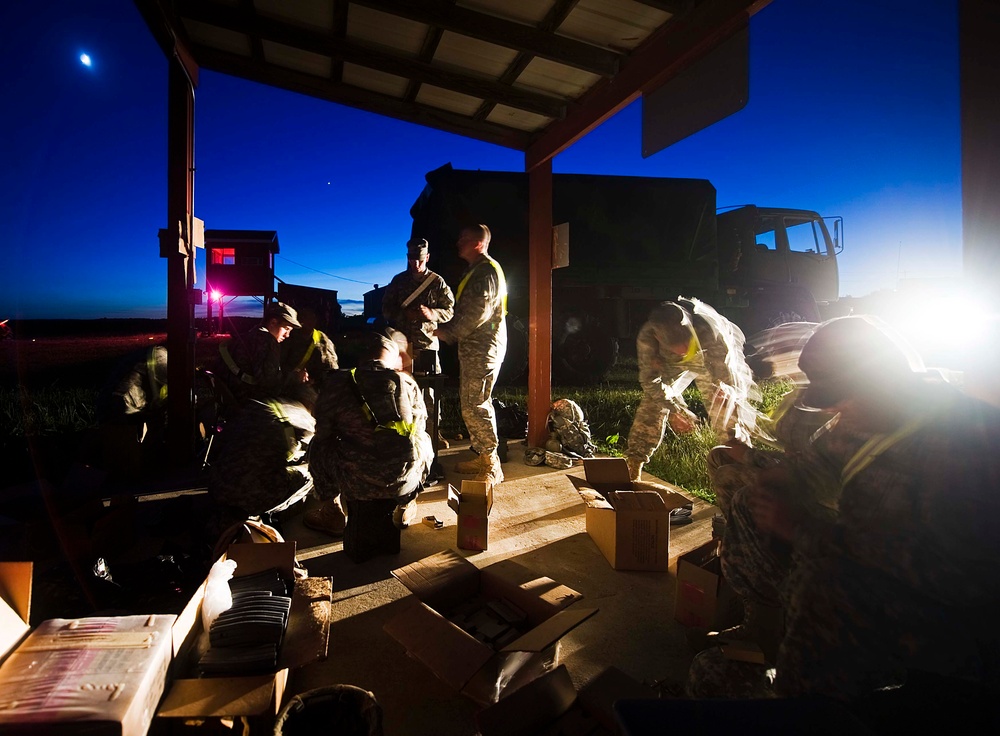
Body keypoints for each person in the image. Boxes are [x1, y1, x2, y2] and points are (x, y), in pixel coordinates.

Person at [692, 315, 1000, 701]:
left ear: (882, 382)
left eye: (841, 399)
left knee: (823, 583)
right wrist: (762, 470)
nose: (833, 411)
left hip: (945, 620)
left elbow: (961, 578)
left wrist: (805, 531)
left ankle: (810, 698)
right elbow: (812, 467)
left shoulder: (965, 443)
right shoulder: (866, 417)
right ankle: (768, 626)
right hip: (854, 567)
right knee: (746, 499)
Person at [308, 331, 433, 562]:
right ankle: (407, 502)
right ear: (393, 358)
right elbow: (419, 426)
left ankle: (332, 509)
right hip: (402, 480)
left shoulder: (337, 383)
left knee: (317, 444)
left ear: (362, 357)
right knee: (423, 439)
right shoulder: (407, 383)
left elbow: (323, 433)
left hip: (355, 483)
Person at [624, 297, 759, 482]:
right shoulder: (648, 337)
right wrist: (674, 409)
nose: (683, 350)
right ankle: (633, 469)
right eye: (676, 347)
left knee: (725, 408)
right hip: (670, 364)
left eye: (685, 343)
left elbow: (727, 377)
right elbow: (650, 381)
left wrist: (725, 389)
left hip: (707, 358)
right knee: (652, 404)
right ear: (657, 337)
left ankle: (745, 471)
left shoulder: (710, 331)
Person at [433, 224, 507, 485]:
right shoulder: (478, 270)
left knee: (476, 404)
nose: (458, 243)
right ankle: (482, 454)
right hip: (477, 348)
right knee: (472, 403)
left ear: (478, 243)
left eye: (463, 239)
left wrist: (448, 332)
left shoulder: (485, 271)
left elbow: (479, 312)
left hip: (483, 348)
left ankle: (491, 464)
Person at [206, 383, 316, 542]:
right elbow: (315, 451)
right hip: (251, 499)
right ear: (309, 403)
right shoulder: (302, 416)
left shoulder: (258, 406)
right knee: (313, 469)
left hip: (217, 488)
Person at [95, 344, 169, 479]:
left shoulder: (148, 353)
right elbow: (170, 382)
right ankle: (146, 467)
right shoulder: (160, 355)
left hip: (107, 406)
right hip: (124, 406)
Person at [382, 237, 455, 372]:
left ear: (427, 257)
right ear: (407, 258)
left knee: (428, 389)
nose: (416, 264)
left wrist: (432, 313)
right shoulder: (398, 281)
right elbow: (386, 309)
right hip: (402, 345)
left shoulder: (437, 282)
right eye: (412, 260)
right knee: (402, 388)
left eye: (420, 260)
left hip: (427, 345)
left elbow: (449, 311)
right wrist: (404, 314)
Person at [218, 302, 304, 406]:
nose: (287, 335)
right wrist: (296, 377)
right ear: (273, 322)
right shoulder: (268, 341)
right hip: (244, 404)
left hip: (226, 398)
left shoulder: (249, 335)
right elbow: (270, 384)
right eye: (286, 329)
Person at [280, 305, 339, 388]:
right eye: (302, 317)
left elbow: (331, 368)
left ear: (315, 320)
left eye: (309, 317)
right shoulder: (286, 337)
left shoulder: (322, 339)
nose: (304, 322)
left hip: (312, 387)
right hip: (287, 385)